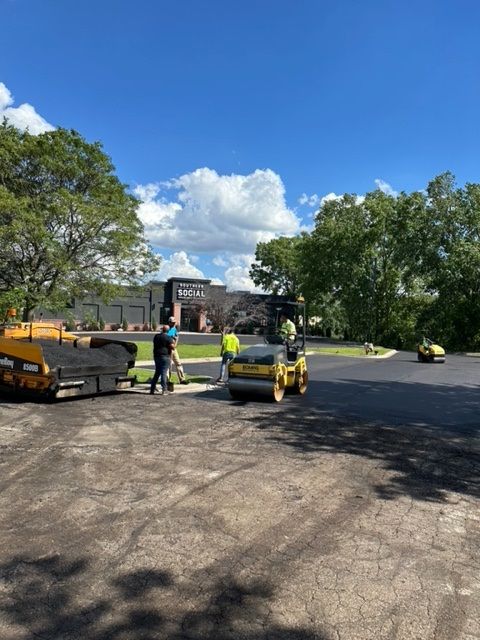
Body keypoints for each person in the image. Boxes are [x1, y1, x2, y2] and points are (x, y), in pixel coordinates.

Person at [150, 325, 175, 395]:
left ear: (162, 329)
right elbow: (173, 347)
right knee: (163, 372)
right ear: (168, 331)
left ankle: (152, 389)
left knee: (157, 372)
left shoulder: (156, 336)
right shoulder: (168, 338)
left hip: (156, 356)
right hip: (165, 357)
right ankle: (164, 389)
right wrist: (174, 341)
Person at [167, 316, 188, 385]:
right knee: (168, 365)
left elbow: (177, 338)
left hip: (174, 349)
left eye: (174, 323)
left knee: (178, 363)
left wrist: (175, 346)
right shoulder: (167, 329)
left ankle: (182, 379)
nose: (173, 324)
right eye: (172, 323)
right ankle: (167, 380)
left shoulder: (175, 329)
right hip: (168, 349)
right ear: (169, 322)